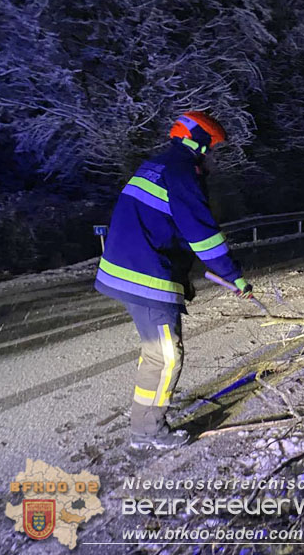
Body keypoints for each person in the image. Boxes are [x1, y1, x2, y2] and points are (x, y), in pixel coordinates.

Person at [95, 111, 254, 450]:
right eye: (213, 150)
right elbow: (203, 237)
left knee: (156, 352)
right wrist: (235, 278)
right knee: (164, 355)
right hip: (144, 276)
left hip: (125, 267)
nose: (214, 158)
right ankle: (147, 432)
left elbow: (166, 229)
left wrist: (181, 279)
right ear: (199, 144)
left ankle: (146, 417)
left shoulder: (158, 165)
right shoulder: (183, 174)